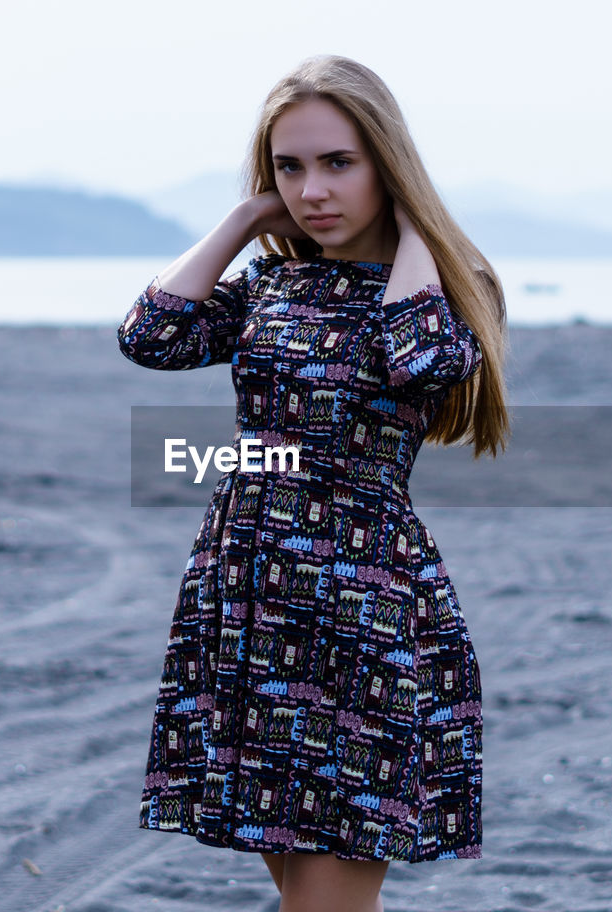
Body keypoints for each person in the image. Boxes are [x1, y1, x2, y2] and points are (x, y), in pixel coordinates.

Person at [117, 54, 510, 912]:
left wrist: (413, 233)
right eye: (289, 167)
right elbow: (151, 335)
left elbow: (424, 362)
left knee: (324, 901)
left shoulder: (443, 289)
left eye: (338, 162)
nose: (311, 191)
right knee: (306, 895)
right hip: (247, 596)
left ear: (386, 163)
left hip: (355, 605)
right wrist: (243, 217)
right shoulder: (272, 283)